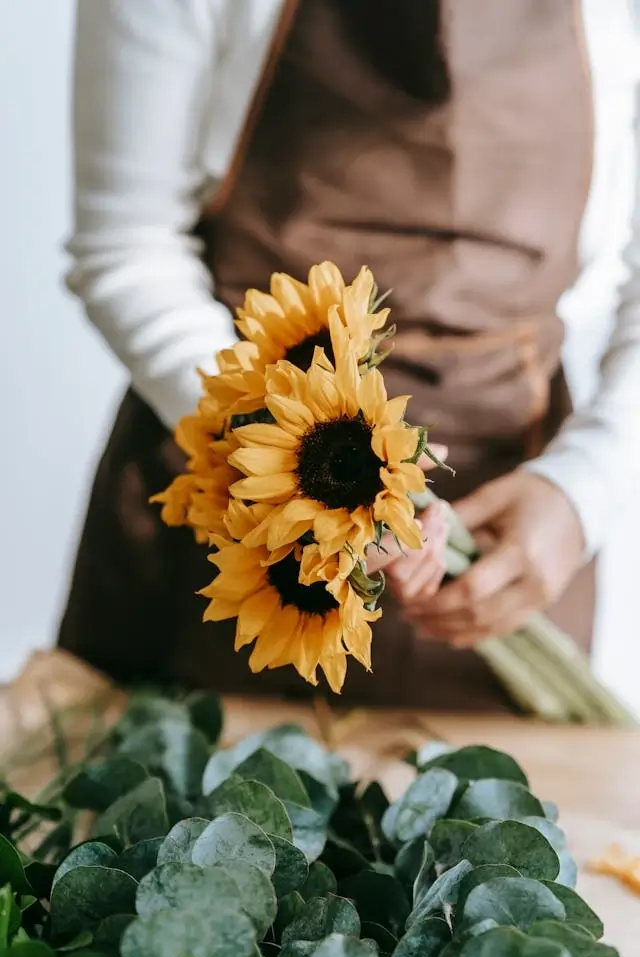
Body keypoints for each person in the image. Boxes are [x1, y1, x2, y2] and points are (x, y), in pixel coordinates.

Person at [59, 0, 640, 711]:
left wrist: (587, 487)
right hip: (235, 485)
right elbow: (126, 246)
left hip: (514, 520)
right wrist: (288, 458)